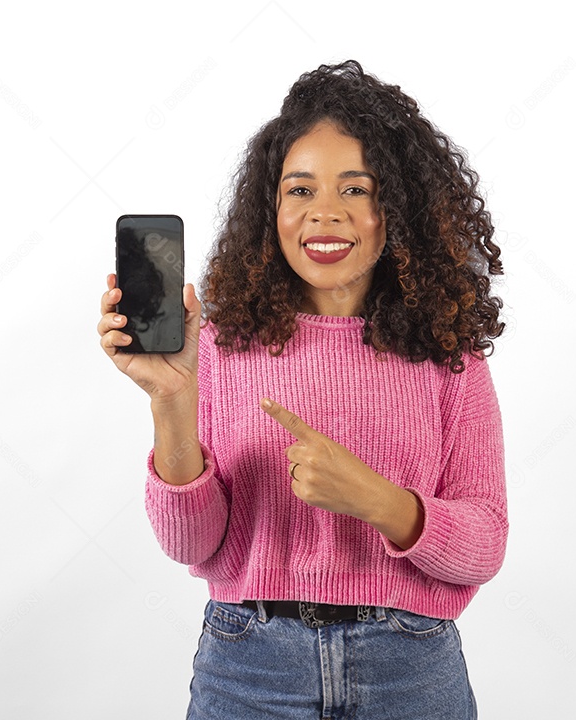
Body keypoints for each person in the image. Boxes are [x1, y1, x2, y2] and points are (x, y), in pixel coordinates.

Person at [99, 59, 507, 719]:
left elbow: (484, 542)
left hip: (409, 670)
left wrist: (374, 499)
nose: (325, 215)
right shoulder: (220, 343)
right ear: (272, 208)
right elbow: (190, 545)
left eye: (355, 190)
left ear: (392, 208)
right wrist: (171, 404)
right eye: (299, 191)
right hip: (248, 667)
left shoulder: (446, 354)